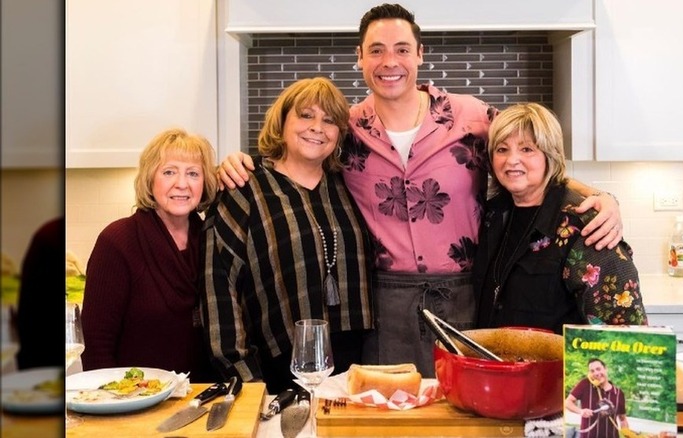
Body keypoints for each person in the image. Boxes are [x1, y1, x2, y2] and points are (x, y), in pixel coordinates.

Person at [216, 3, 624, 377]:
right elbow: (294, 158)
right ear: (359, 58)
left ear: (420, 54)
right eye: (375, 50)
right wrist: (237, 163)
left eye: (401, 49)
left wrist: (601, 197)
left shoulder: (471, 117)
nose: (389, 62)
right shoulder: (346, 128)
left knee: (462, 410)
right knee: (390, 412)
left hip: (466, 296)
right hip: (384, 306)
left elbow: (531, 159)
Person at [200, 77, 373, 394]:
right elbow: (219, 290)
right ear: (281, 123)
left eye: (329, 120)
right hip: (276, 371)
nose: (317, 127)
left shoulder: (350, 185)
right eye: (306, 115)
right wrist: (247, 381)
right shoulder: (245, 188)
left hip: (357, 369)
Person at [474, 103, 646, 330]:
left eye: (527, 149)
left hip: (561, 365)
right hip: (493, 361)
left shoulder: (586, 226)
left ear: (549, 155)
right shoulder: (493, 215)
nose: (511, 160)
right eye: (502, 149)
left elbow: (626, 334)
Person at [81, 128, 220, 382]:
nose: (182, 184)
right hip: (136, 403)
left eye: (193, 173)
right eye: (169, 172)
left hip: (203, 398)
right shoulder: (117, 241)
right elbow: (96, 347)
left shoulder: (213, 238)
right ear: (150, 179)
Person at [15, 217, 64, 370]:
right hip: (42, 355)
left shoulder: (49, 234)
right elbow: (31, 313)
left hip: (36, 355)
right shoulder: (50, 236)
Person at [565, 358, 630, 438]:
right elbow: (567, 402)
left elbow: (622, 419)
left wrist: (628, 435)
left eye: (598, 369)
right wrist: (580, 411)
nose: (596, 373)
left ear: (606, 369)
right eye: (592, 371)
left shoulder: (619, 393)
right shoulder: (585, 384)